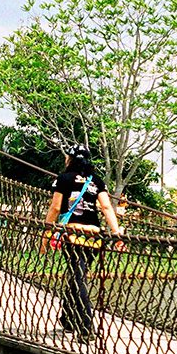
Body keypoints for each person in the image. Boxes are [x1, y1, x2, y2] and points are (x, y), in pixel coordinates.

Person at [43, 144, 123, 338]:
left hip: (73, 235)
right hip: (94, 237)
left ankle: (87, 327)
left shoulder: (63, 179)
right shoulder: (96, 181)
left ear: (70, 159)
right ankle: (68, 318)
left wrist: (45, 234)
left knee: (78, 279)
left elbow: (55, 209)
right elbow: (106, 207)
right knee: (77, 274)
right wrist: (117, 234)